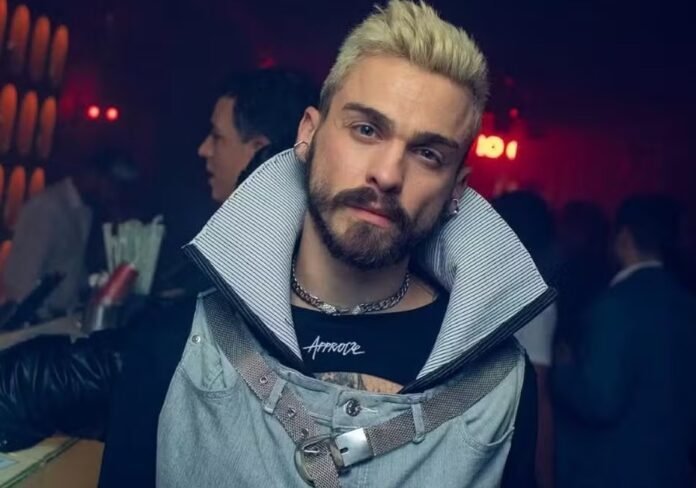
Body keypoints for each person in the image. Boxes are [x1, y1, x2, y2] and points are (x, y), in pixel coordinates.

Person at [100, 2, 555, 487]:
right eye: (366, 130)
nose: (387, 174)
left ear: (456, 189)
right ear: (309, 135)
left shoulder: (502, 388)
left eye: (427, 153)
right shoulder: (174, 345)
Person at [552, 195, 696, 488]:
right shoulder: (687, 303)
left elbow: (599, 402)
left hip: (616, 472)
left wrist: (563, 368)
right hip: (674, 470)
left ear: (624, 237)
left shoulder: (614, 305)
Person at [0, 150, 138, 320]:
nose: (115, 195)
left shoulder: (85, 211)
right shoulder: (47, 208)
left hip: (60, 318)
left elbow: (71, 268)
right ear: (93, 175)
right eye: (113, 186)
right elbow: (21, 279)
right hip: (36, 321)